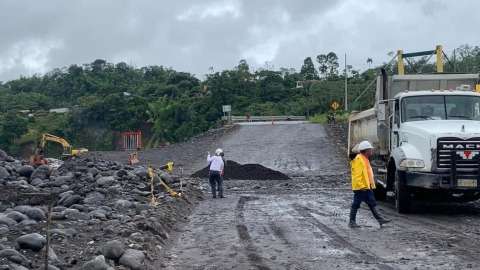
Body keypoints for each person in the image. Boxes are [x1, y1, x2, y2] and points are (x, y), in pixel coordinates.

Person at [349, 141, 392, 228]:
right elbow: (357, 175)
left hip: (367, 187)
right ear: (365, 151)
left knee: (373, 203)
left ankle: (381, 220)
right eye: (369, 150)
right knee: (356, 204)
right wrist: (361, 186)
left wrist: (371, 184)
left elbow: (367, 173)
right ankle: (352, 221)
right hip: (361, 188)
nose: (371, 151)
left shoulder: (365, 159)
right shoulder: (359, 160)